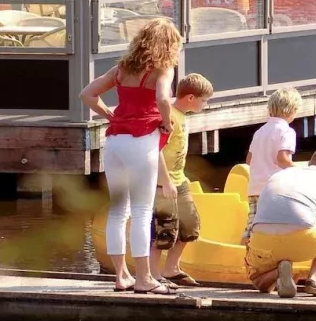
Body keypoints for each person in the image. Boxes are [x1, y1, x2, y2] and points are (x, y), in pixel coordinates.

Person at [79, 20, 182, 294]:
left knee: (118, 210)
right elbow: (162, 99)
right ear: (170, 45)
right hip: (142, 140)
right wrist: (167, 122)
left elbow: (87, 94)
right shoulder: (163, 68)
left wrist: (110, 115)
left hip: (114, 141)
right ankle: (145, 278)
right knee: (141, 212)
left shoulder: (122, 69)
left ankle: (121, 276)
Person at [245, 146, 316, 298]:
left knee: (259, 282)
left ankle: (279, 272)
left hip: (262, 239)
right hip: (302, 240)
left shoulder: (282, 174)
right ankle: (315, 278)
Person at [153, 73, 214, 288]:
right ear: (190, 98)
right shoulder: (170, 117)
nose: (205, 105)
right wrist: (165, 181)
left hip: (180, 180)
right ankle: (154, 274)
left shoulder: (183, 116)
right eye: (203, 100)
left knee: (190, 226)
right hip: (163, 183)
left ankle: (171, 268)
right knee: (164, 230)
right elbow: (156, 150)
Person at [244, 87, 301, 234]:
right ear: (293, 110)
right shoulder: (287, 131)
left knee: (253, 227)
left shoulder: (260, 132)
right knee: (277, 227)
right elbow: (283, 159)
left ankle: (245, 253)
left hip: (255, 188)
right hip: (274, 189)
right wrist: (301, 171)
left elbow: (249, 160)